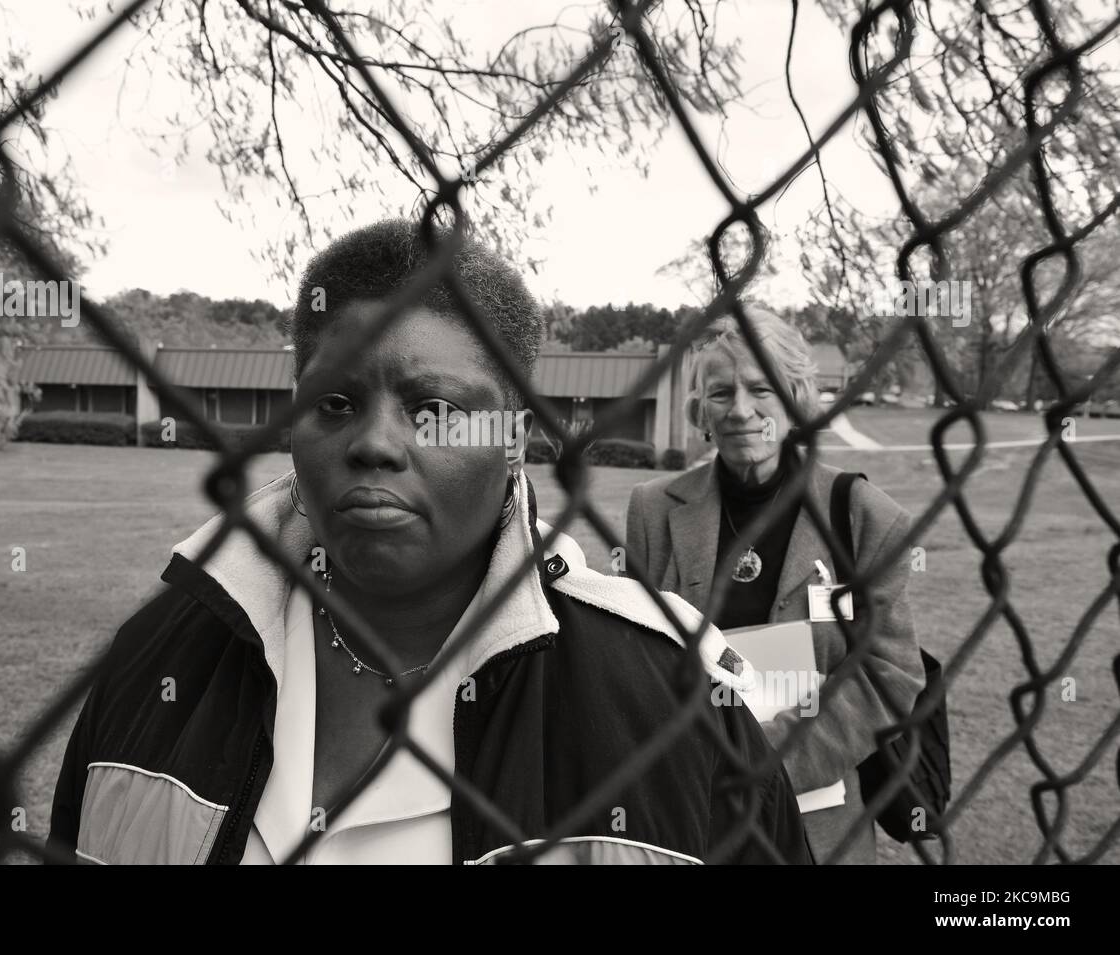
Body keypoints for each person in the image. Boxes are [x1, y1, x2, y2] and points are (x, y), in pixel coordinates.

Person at [48, 221, 811, 865]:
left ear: (514, 439)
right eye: (335, 402)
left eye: (434, 408)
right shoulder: (152, 659)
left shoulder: (675, 699)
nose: (375, 443)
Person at [625, 308, 925, 864]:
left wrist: (766, 756)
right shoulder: (652, 511)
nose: (741, 410)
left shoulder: (863, 516)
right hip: (690, 810)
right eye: (720, 394)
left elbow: (891, 672)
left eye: (761, 388)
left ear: (795, 398)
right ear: (701, 413)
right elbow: (632, 655)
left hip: (818, 824)